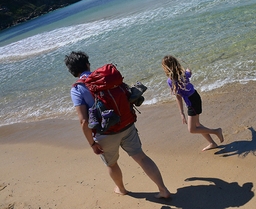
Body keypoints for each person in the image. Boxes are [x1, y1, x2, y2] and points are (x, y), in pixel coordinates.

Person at [64, 51, 170, 198]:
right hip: (126, 123)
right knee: (141, 157)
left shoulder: (77, 89)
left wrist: (92, 144)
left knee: (111, 164)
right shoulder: (105, 77)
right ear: (88, 64)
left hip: (105, 133)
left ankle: (121, 189)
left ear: (72, 72)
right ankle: (163, 189)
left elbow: (84, 121)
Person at [161, 55, 224, 151]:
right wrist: (188, 69)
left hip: (191, 102)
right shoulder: (183, 74)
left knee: (192, 129)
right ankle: (212, 143)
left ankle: (216, 131)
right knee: (197, 124)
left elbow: (178, 97)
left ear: (166, 68)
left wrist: (181, 113)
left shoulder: (170, 81)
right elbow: (189, 72)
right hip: (196, 97)